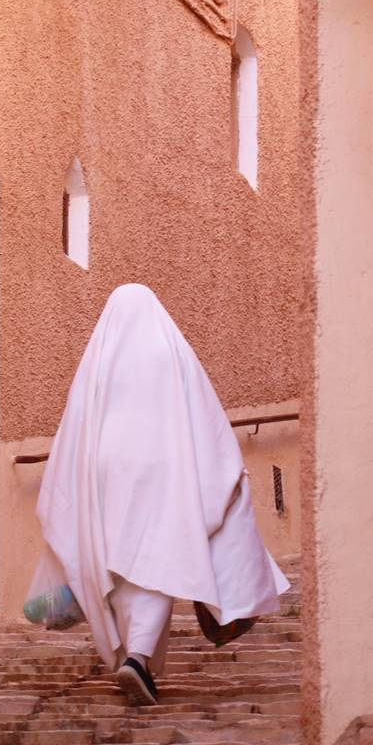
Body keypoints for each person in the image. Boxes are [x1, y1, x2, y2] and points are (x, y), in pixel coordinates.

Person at [35, 283, 289, 706]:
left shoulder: (99, 357)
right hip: (162, 468)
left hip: (105, 470)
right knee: (156, 558)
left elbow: (74, 426)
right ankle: (137, 658)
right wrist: (223, 474)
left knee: (116, 564)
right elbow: (204, 416)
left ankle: (130, 657)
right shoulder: (170, 350)